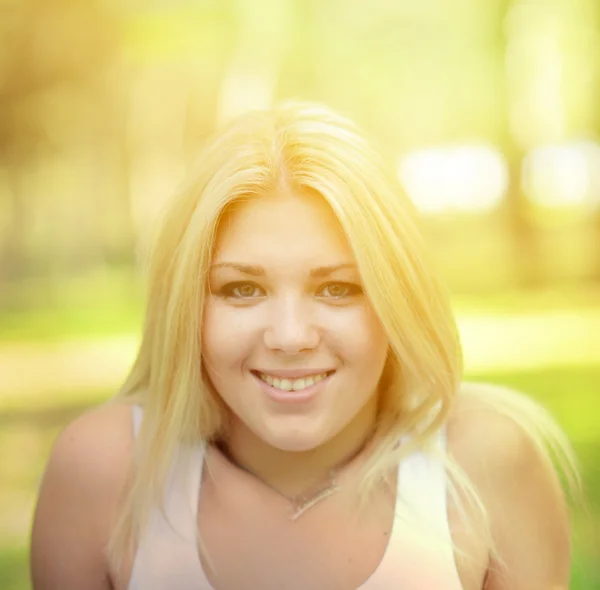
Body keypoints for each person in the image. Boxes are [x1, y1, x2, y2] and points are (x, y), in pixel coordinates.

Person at [30, 101, 579, 590]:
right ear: (187, 306)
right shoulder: (103, 469)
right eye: (242, 289)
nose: (290, 337)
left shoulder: (484, 465)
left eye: (338, 289)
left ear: (398, 300)